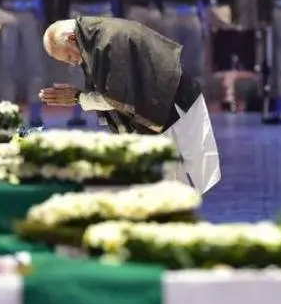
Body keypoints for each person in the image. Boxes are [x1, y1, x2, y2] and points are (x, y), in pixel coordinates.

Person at [39, 17, 220, 193]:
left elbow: (118, 97)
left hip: (172, 108)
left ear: (71, 38)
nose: (73, 63)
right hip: (160, 107)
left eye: (69, 56)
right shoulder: (94, 38)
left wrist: (79, 98)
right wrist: (79, 97)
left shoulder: (108, 40)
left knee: (177, 187)